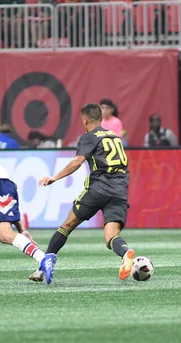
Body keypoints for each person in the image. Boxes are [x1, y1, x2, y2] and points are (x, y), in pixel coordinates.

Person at [36, 104, 138, 284]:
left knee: (67, 225)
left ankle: (41, 269)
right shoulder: (115, 137)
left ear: (85, 120)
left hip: (98, 189)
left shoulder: (89, 137)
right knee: (111, 237)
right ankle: (125, 254)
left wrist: (55, 177)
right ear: (101, 119)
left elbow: (77, 161)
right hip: (120, 191)